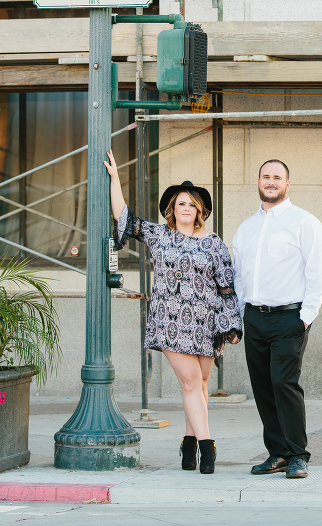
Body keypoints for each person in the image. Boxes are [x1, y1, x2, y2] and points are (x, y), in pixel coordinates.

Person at [105, 150, 242, 474]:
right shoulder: (159, 234)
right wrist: (115, 179)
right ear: (173, 209)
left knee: (200, 384)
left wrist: (230, 322)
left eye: (191, 204)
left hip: (206, 322)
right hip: (170, 321)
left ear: (200, 210)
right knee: (192, 382)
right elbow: (124, 218)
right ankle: (208, 449)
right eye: (181, 203)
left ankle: (189, 443)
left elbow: (226, 286)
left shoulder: (214, 243)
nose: (186, 208)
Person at [233, 159, 322, 480]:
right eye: (265, 176)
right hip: (254, 318)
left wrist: (305, 318)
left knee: (284, 384)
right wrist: (239, 315)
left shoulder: (304, 222)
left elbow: (318, 274)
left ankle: (298, 455)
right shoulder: (246, 228)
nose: (270, 181)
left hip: (289, 318)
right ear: (258, 182)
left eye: (277, 177)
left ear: (288, 184)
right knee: (262, 386)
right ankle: (277, 453)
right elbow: (238, 277)